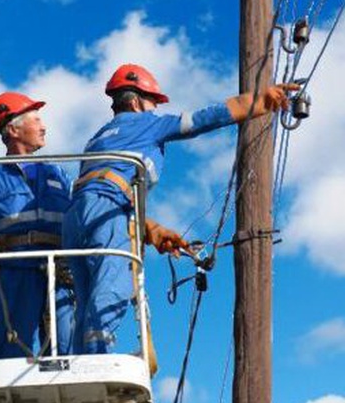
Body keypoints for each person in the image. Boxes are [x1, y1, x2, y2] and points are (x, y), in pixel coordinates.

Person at [63, 64, 297, 355]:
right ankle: (96, 357)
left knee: (86, 295)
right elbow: (201, 119)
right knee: (114, 279)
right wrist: (262, 100)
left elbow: (100, 196)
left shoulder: (97, 139)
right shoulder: (146, 124)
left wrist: (152, 231)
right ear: (136, 101)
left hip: (76, 218)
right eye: (152, 103)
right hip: (107, 209)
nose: (154, 110)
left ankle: (83, 358)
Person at [0, 91, 74, 359]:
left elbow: (77, 216)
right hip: (15, 268)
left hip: (60, 267)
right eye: (36, 120)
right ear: (13, 129)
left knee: (68, 342)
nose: (43, 126)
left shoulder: (57, 173)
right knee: (14, 342)